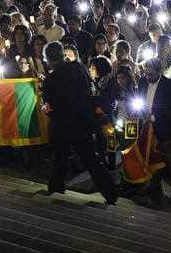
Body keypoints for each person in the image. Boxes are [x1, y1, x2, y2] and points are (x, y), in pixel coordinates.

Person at [41, 41, 118, 204]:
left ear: (47, 59)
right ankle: (110, 192)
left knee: (60, 158)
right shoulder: (78, 68)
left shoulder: (50, 80)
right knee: (91, 159)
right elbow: (88, 91)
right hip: (82, 120)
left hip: (62, 124)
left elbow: (49, 107)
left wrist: (46, 109)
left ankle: (56, 188)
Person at [137, 57, 171, 202]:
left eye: (150, 74)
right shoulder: (143, 81)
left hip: (164, 127)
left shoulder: (169, 85)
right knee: (149, 156)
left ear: (159, 71)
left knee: (170, 158)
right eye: (145, 73)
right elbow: (139, 98)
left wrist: (154, 117)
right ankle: (153, 185)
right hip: (146, 126)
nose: (147, 76)